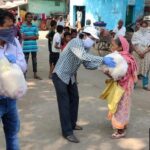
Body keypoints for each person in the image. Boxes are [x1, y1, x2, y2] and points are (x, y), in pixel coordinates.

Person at [52, 26, 116, 143]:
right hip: (60, 76)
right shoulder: (75, 42)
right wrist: (102, 59)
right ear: (85, 35)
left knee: (75, 99)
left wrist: (102, 68)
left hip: (70, 77)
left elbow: (87, 65)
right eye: (92, 39)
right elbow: (83, 56)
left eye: (94, 40)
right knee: (64, 103)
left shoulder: (85, 48)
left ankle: (72, 124)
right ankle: (67, 132)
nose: (93, 42)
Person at [0, 9, 27, 150]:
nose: (12, 30)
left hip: (10, 99)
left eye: (13, 26)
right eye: (8, 26)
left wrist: (12, 64)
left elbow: (23, 66)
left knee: (12, 135)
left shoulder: (14, 42)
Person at [103, 36, 137, 138]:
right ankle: (123, 124)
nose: (111, 46)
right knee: (125, 105)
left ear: (120, 47)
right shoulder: (129, 57)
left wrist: (107, 72)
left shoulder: (121, 58)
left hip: (122, 86)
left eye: (113, 45)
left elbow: (118, 75)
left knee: (119, 106)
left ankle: (120, 131)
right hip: (128, 85)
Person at [21, 12, 42, 80]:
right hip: (26, 47)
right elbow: (23, 37)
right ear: (26, 18)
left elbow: (37, 37)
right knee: (25, 61)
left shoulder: (34, 26)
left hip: (33, 47)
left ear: (32, 18)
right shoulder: (23, 26)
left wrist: (28, 37)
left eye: (30, 17)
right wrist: (32, 37)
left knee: (34, 61)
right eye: (28, 17)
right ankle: (24, 74)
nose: (29, 18)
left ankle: (35, 74)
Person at [132, 20, 150, 90]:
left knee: (146, 69)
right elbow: (133, 45)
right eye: (142, 26)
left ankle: (145, 85)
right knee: (136, 69)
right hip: (137, 54)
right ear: (140, 26)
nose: (144, 28)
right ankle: (133, 84)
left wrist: (144, 52)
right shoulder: (136, 34)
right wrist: (139, 52)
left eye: (145, 26)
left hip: (146, 54)